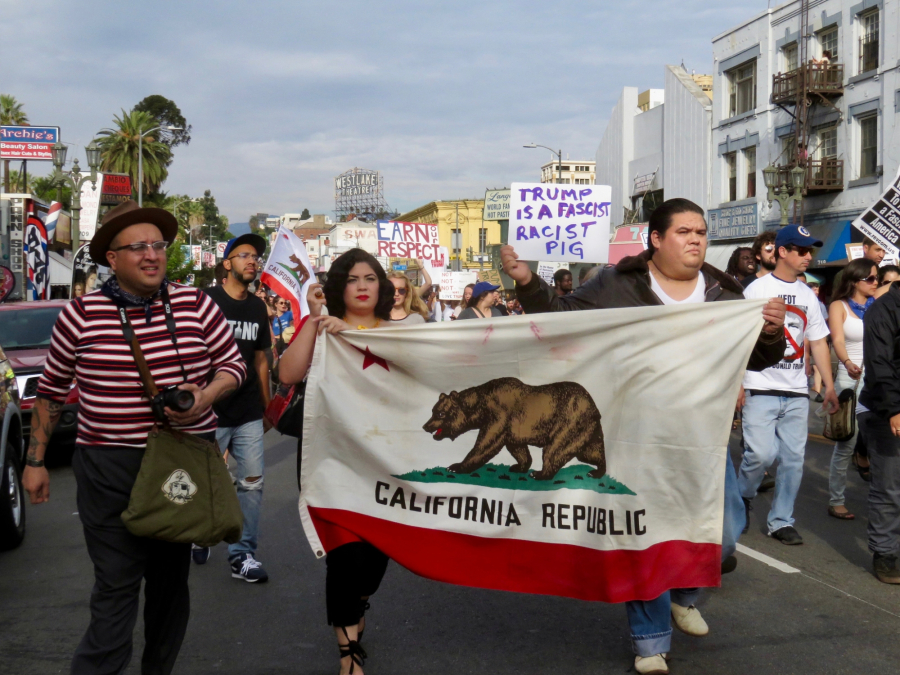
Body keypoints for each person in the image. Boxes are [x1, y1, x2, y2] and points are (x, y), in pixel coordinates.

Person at [503, 198, 786, 675]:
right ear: (656, 239)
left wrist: (771, 334)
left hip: (702, 435)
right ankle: (650, 642)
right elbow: (562, 316)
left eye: (701, 231)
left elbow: (756, 359)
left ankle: (684, 592)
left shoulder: (724, 291)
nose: (696, 239)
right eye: (684, 231)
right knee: (644, 533)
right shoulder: (618, 283)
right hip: (633, 432)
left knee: (723, 535)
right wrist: (528, 282)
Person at [22, 199, 246, 675]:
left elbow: (233, 366)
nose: (152, 255)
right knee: (117, 584)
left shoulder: (196, 304)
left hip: (182, 464)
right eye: (138, 246)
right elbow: (51, 391)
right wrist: (35, 461)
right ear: (112, 258)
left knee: (169, 585)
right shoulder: (79, 315)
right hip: (108, 466)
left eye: (159, 245)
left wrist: (206, 395)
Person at [278, 248, 397, 674]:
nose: (362, 286)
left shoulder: (400, 332)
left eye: (369, 277)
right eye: (352, 278)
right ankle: (349, 654)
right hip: (330, 460)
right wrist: (314, 322)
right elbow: (287, 374)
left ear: (381, 285)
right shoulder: (322, 329)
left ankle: (359, 601)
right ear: (338, 287)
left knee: (375, 557)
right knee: (345, 554)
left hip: (384, 463)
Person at [739, 224, 839, 547]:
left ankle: (781, 520)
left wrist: (830, 387)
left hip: (796, 389)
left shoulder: (808, 295)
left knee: (794, 459)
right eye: (801, 250)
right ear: (783, 251)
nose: (808, 256)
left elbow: (819, 342)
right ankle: (740, 498)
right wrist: (738, 384)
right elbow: (740, 340)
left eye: (810, 250)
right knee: (760, 454)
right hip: (760, 384)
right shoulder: (756, 289)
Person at [197, 233, 273, 580]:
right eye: (244, 255)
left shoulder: (258, 307)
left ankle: (242, 556)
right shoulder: (204, 301)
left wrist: (267, 403)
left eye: (255, 256)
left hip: (246, 412)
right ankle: (200, 532)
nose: (252, 260)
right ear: (226, 263)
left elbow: (260, 360)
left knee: (252, 483)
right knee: (205, 482)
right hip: (207, 411)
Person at [826, 258, 878, 521]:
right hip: (850, 379)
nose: (875, 282)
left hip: (878, 380)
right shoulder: (839, 306)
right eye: (870, 278)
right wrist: (847, 362)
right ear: (855, 280)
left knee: (881, 442)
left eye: (876, 278)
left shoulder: (879, 306)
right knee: (846, 443)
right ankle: (836, 500)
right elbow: (836, 339)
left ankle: (883, 502)